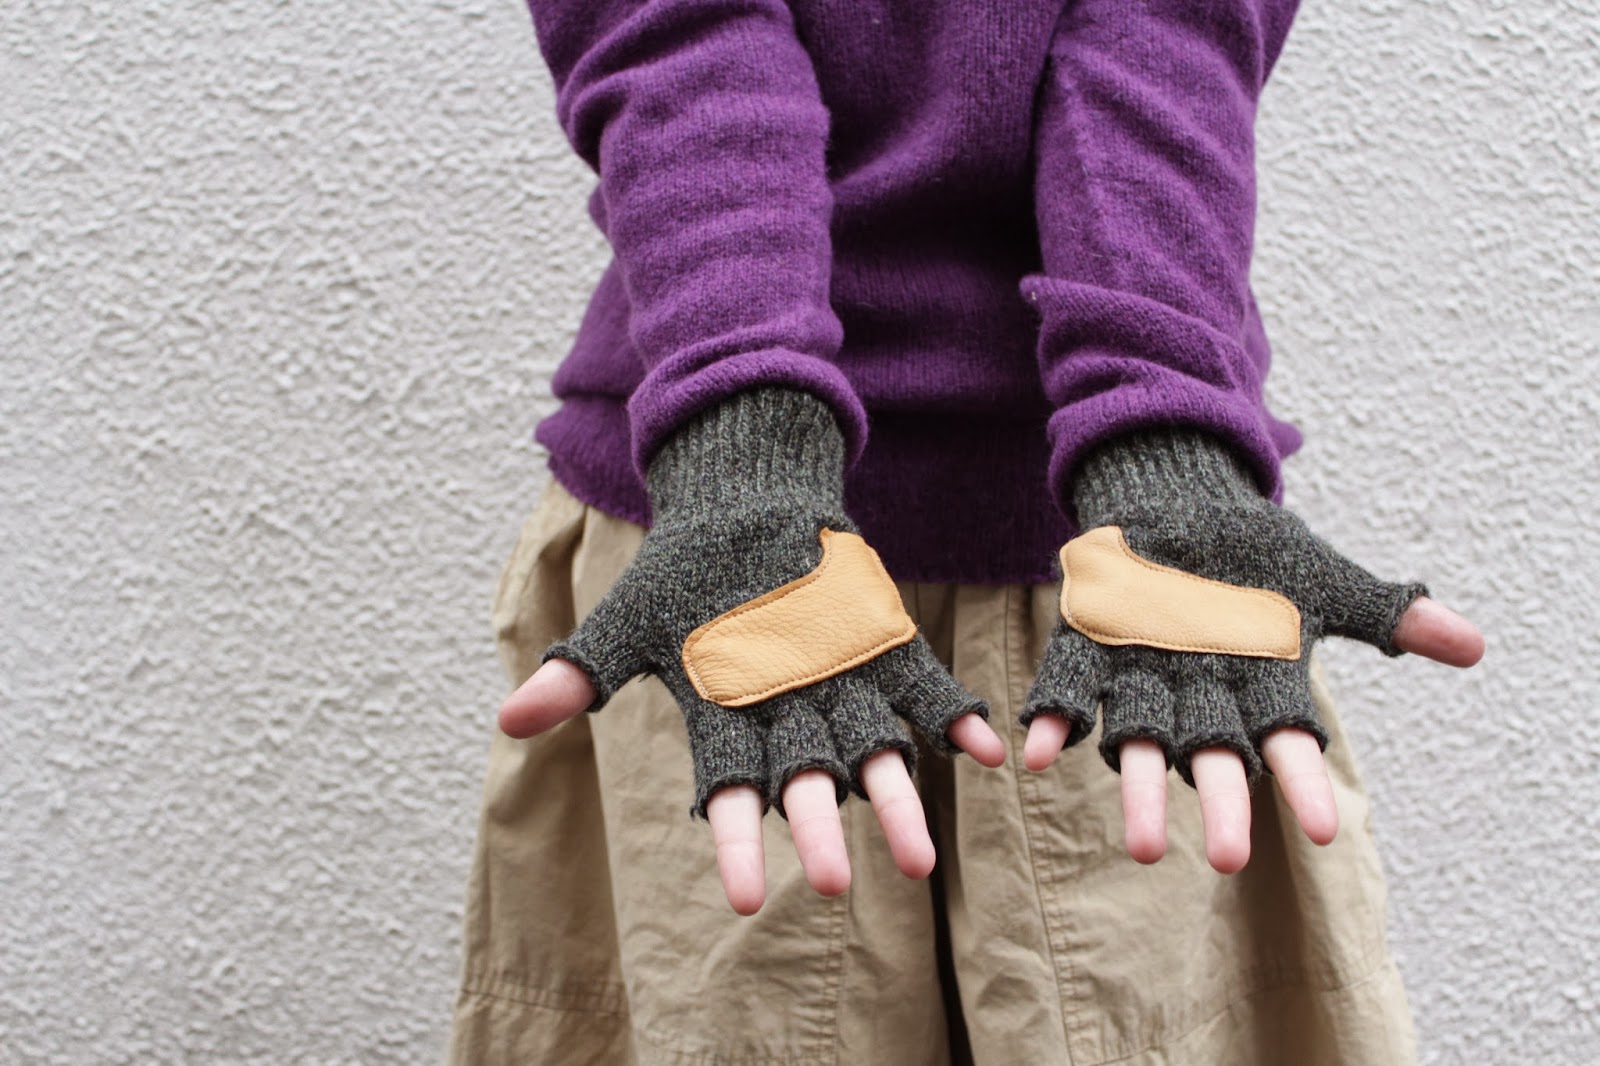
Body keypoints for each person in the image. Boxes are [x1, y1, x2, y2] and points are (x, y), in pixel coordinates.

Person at [449, 1, 1485, 1062]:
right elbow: (675, 36)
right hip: (721, 596)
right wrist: (743, 447)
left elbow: (1166, 32)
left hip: (1132, 605)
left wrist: (1161, 438)